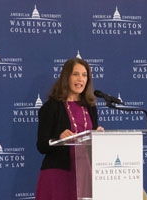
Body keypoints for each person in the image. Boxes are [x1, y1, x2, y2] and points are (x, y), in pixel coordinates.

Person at [35, 57, 103, 200]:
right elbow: (41, 145)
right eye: (76, 74)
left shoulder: (90, 107)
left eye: (84, 75)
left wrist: (98, 136)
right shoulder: (51, 107)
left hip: (85, 172)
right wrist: (58, 139)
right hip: (58, 173)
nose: (80, 79)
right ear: (66, 77)